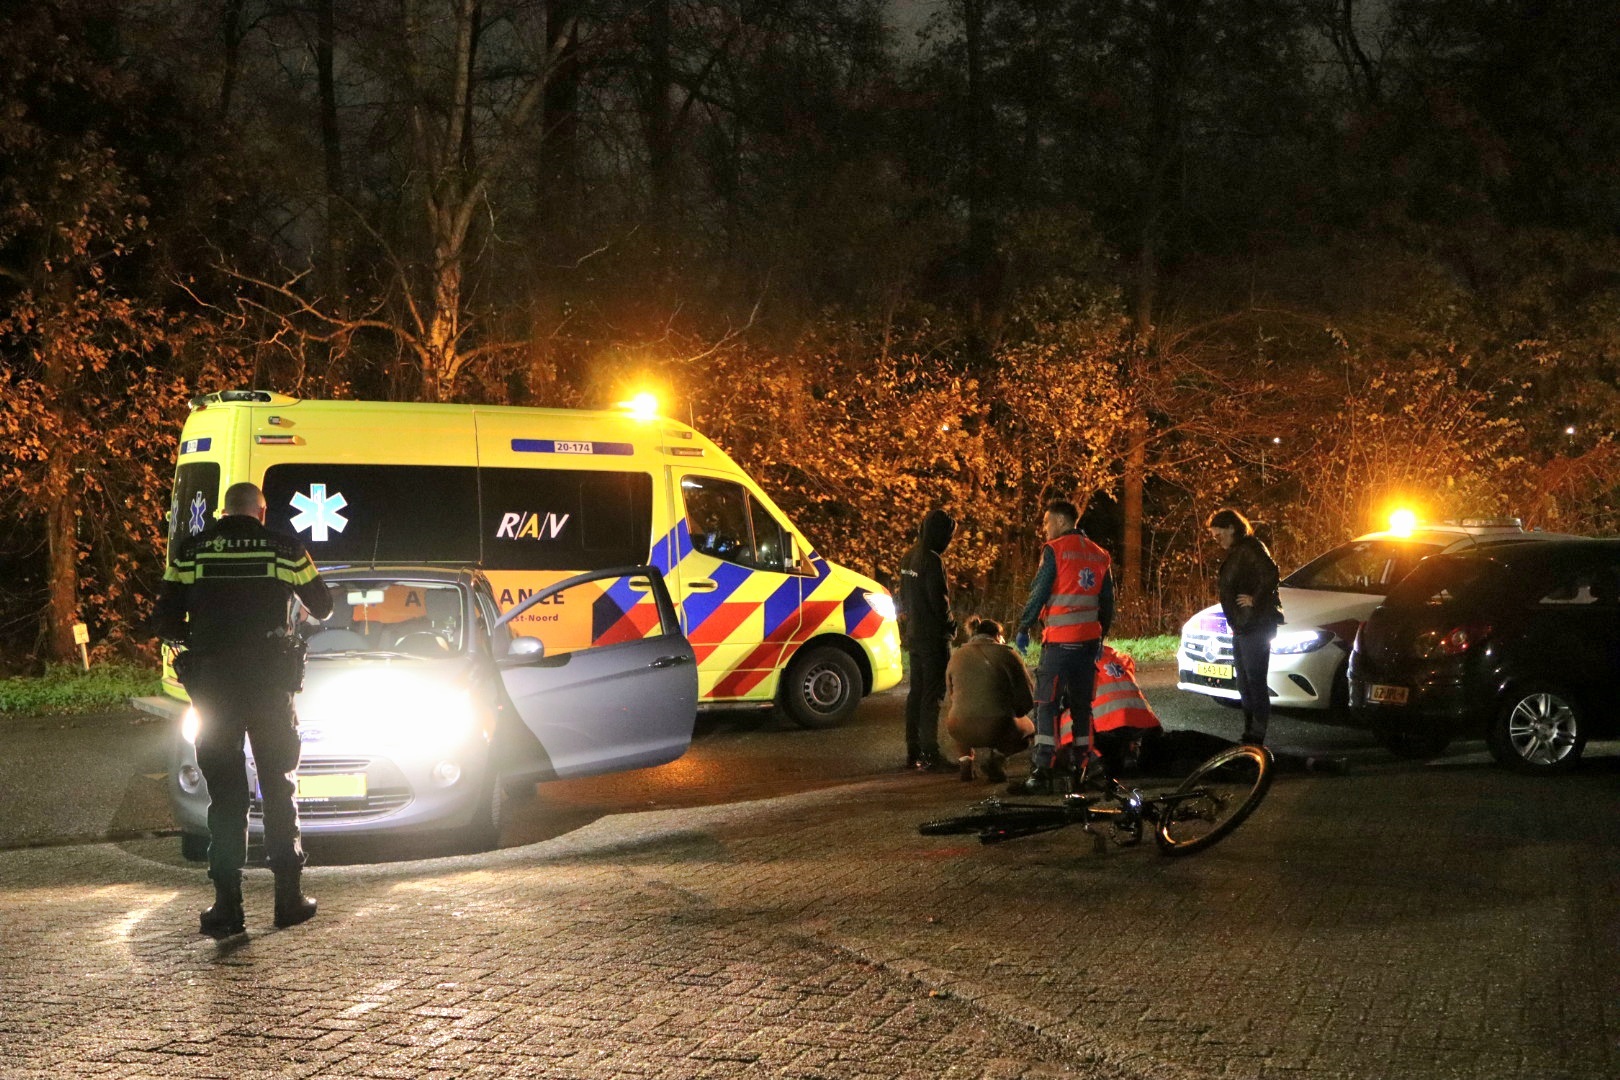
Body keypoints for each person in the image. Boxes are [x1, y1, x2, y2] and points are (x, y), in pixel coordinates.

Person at [152, 481, 333, 937]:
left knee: (226, 796)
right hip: (270, 688)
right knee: (278, 786)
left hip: (214, 690)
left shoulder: (192, 551)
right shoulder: (284, 549)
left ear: (222, 511)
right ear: (261, 511)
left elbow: (165, 620)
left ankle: (227, 908)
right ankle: (288, 901)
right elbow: (324, 606)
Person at [1009, 498, 1114, 794]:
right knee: (1082, 706)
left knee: (1046, 703)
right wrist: (1098, 635)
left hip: (1059, 644)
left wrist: (1025, 625)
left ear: (1060, 521)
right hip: (1088, 644)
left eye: (1046, 522)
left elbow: (1040, 590)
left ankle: (1043, 768)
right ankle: (1085, 765)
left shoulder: (1055, 551)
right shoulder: (1099, 554)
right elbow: (1107, 603)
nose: (1044, 528)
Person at [1207, 507, 1283, 746]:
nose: (1217, 540)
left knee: (1254, 680)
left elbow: (1271, 572)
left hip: (1256, 624)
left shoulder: (1250, 548)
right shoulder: (1238, 551)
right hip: (1243, 625)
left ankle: (1256, 734)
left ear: (1231, 528)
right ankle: (1250, 732)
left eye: (1219, 535)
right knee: (1244, 682)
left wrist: (1255, 599)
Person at [899, 508, 956, 771]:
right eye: (949, 535)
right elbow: (939, 602)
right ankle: (931, 754)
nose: (949, 541)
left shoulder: (909, 556)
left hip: (914, 633)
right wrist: (951, 626)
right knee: (932, 696)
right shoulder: (932, 560)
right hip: (933, 637)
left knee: (916, 693)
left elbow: (903, 598)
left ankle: (914, 751)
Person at [943, 618, 1035, 782]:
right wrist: (1014, 711)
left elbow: (952, 695)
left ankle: (965, 762)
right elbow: (1027, 697)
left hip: (958, 725)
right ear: (997, 635)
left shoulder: (957, 656)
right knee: (1028, 731)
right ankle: (997, 760)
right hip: (996, 724)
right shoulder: (1007, 654)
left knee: (962, 714)